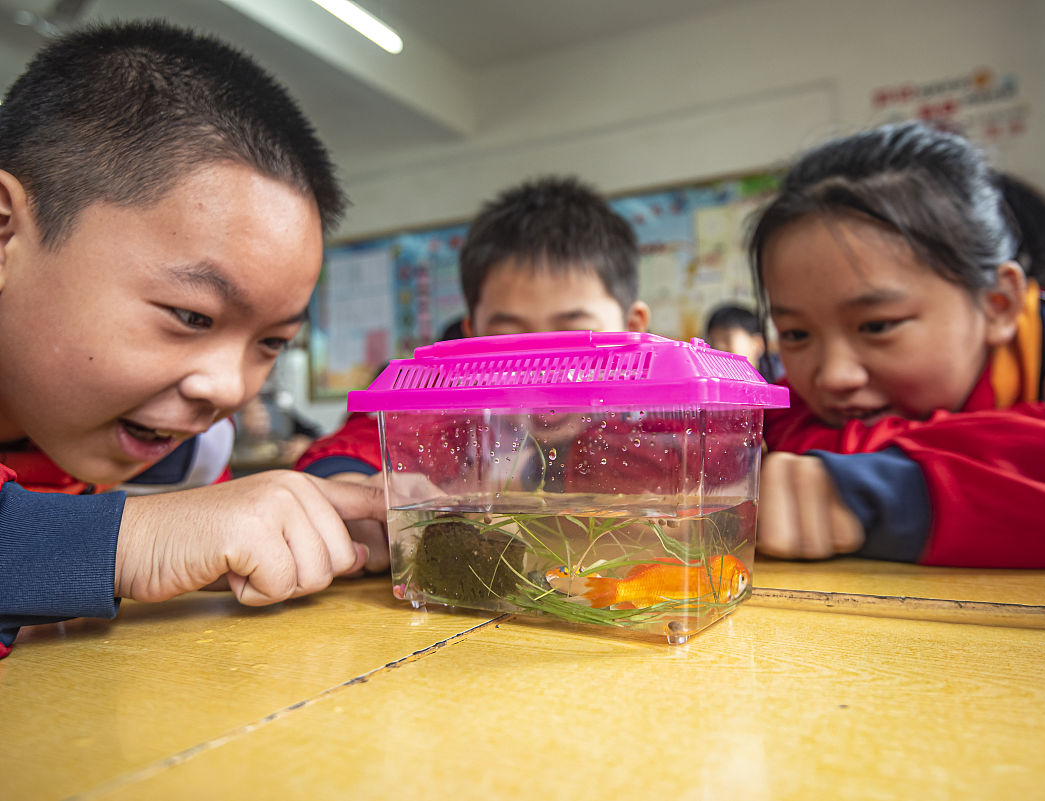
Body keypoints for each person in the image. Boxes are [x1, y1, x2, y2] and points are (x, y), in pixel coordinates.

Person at [0, 21, 386, 658]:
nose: (228, 389)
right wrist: (131, 541)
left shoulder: (185, 456)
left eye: (271, 343)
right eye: (191, 316)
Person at [749, 121, 1045, 568]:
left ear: (998, 304)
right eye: (796, 334)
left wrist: (904, 494)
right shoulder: (803, 397)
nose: (833, 376)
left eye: (877, 325)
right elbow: (787, 437)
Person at [295, 176, 651, 563]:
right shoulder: (454, 430)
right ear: (470, 338)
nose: (544, 371)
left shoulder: (661, 432)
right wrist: (348, 487)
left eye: (574, 337)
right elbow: (355, 447)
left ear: (632, 329)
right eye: (508, 341)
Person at [704, 303, 782, 382]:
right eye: (712, 342)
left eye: (727, 339)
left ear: (758, 343)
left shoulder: (780, 379)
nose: (718, 347)